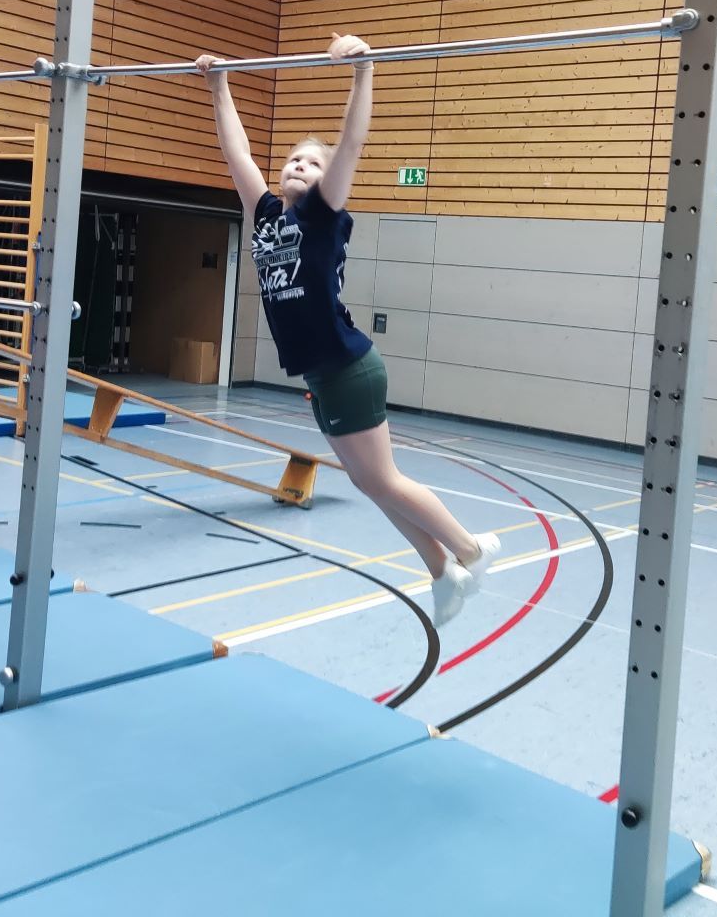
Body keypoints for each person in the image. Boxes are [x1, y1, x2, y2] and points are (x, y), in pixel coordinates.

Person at [196, 34, 499, 627]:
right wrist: (219, 85)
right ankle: (443, 573)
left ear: (326, 179)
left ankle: (469, 550)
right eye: (293, 160)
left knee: (382, 479)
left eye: (312, 163)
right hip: (323, 375)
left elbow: (352, 143)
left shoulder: (322, 215)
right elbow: (237, 155)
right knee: (370, 483)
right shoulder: (265, 216)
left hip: (348, 367)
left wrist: (364, 72)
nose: (298, 167)